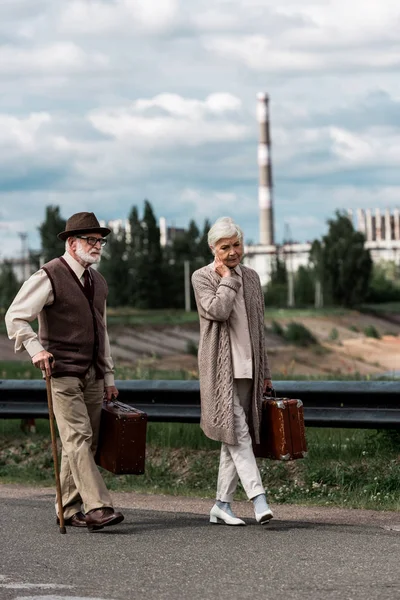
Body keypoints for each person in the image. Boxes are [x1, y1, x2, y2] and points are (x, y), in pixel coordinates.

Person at [5, 212, 124, 532]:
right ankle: (98, 506)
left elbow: (103, 330)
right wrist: (35, 349)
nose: (97, 246)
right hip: (61, 372)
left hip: (93, 375)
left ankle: (68, 508)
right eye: (91, 240)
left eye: (100, 241)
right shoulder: (49, 275)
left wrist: (108, 376)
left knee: (87, 442)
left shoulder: (98, 281)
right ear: (72, 244)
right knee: (78, 437)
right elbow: (15, 317)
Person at [191, 216, 273, 526]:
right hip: (220, 370)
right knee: (239, 432)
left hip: (250, 369)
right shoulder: (202, 277)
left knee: (233, 436)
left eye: (236, 245)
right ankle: (258, 498)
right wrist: (227, 278)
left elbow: (259, 329)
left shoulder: (252, 277)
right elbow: (217, 311)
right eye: (225, 247)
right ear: (213, 248)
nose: (232, 252)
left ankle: (221, 505)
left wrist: (265, 371)